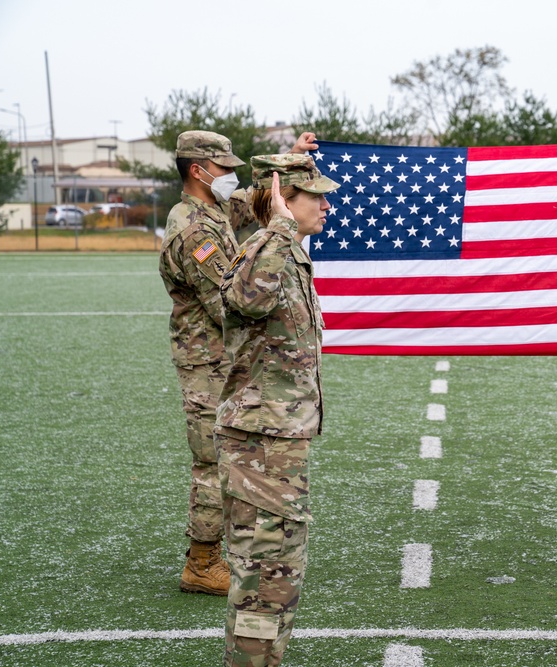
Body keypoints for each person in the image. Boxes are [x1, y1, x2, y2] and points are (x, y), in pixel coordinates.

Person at [159, 130, 319, 596]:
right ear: (198, 171)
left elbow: (259, 201)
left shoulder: (211, 209)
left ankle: (226, 550)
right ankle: (203, 561)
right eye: (225, 169)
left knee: (226, 459)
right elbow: (228, 305)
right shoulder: (195, 232)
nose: (232, 177)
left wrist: (293, 157)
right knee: (212, 462)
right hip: (208, 362)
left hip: (222, 359)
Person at [215, 154, 338, 666]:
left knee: (279, 579)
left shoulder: (287, 255)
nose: (327, 206)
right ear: (285, 199)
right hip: (258, 445)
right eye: (316, 196)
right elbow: (245, 298)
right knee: (265, 582)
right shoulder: (266, 250)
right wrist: (281, 228)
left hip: (278, 443)